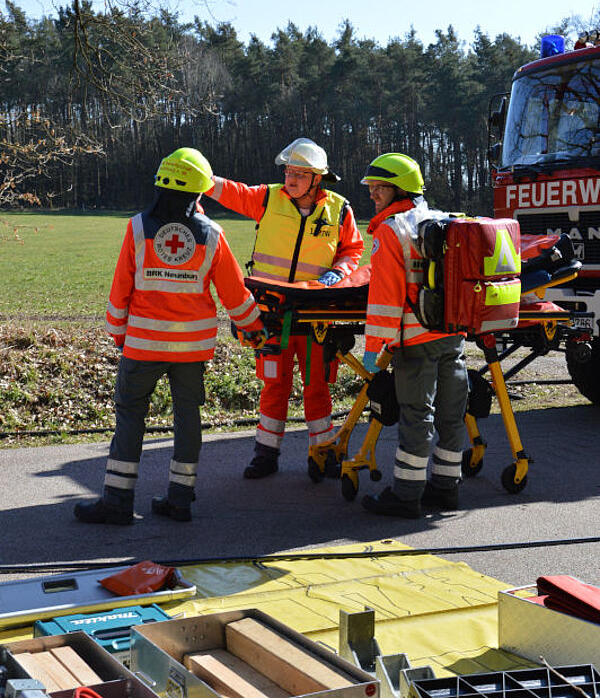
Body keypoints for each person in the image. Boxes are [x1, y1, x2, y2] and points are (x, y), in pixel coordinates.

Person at [74, 147, 265, 525]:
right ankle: (180, 500)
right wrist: (256, 327)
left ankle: (117, 501)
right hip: (191, 349)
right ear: (198, 192)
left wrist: (117, 333)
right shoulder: (213, 234)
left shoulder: (138, 228)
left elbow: (120, 289)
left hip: (142, 345)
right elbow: (234, 294)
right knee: (187, 418)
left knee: (130, 417)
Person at [206, 137, 364, 479]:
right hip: (272, 313)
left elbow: (352, 250)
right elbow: (233, 192)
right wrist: (203, 177)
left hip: (316, 314)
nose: (290, 179)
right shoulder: (267, 197)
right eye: (289, 172)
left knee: (317, 385)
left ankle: (321, 454)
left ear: (317, 178)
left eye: (299, 174)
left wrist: (339, 272)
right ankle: (266, 454)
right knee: (274, 384)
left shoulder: (339, 209)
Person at [359, 153, 469, 519]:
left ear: (400, 189)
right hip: (452, 337)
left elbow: (385, 301)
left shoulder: (392, 230)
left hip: (416, 343)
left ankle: (406, 495)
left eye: (380, 187)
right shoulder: (446, 221)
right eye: (371, 186)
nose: (373, 193)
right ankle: (446, 489)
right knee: (452, 416)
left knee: (417, 416)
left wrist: (374, 353)